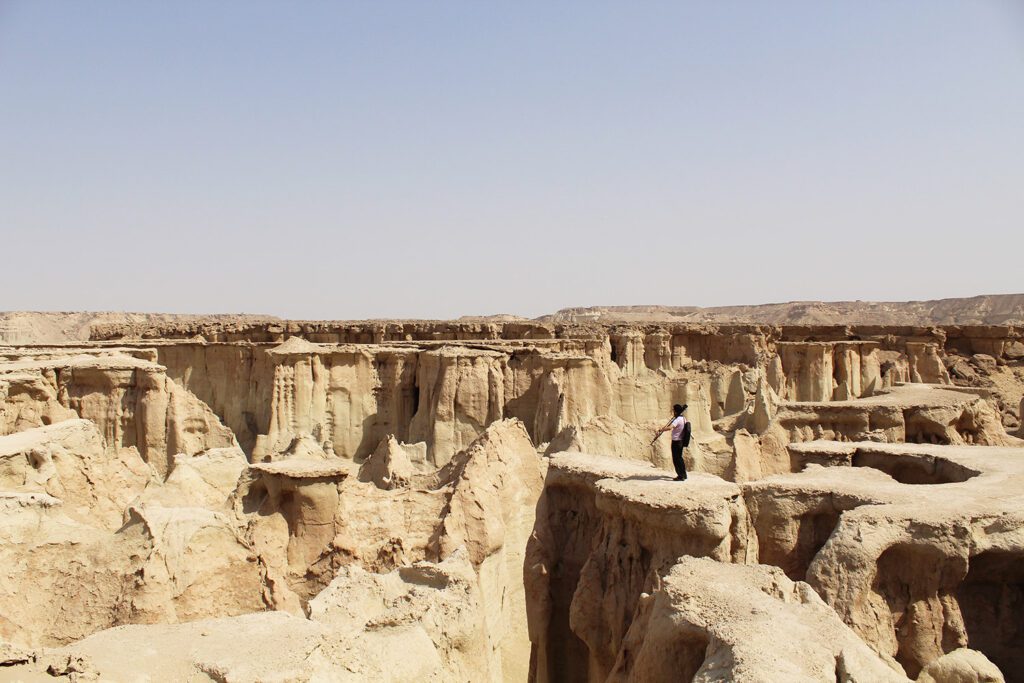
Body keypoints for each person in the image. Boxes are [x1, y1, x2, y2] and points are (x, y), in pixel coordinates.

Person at [654, 404, 689, 481]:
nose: (673, 412)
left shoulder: (677, 420)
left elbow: (670, 427)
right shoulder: (684, 419)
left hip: (676, 442)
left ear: (676, 411)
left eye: (673, 410)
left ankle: (680, 476)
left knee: (676, 459)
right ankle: (683, 474)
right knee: (680, 458)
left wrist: (661, 429)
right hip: (681, 441)